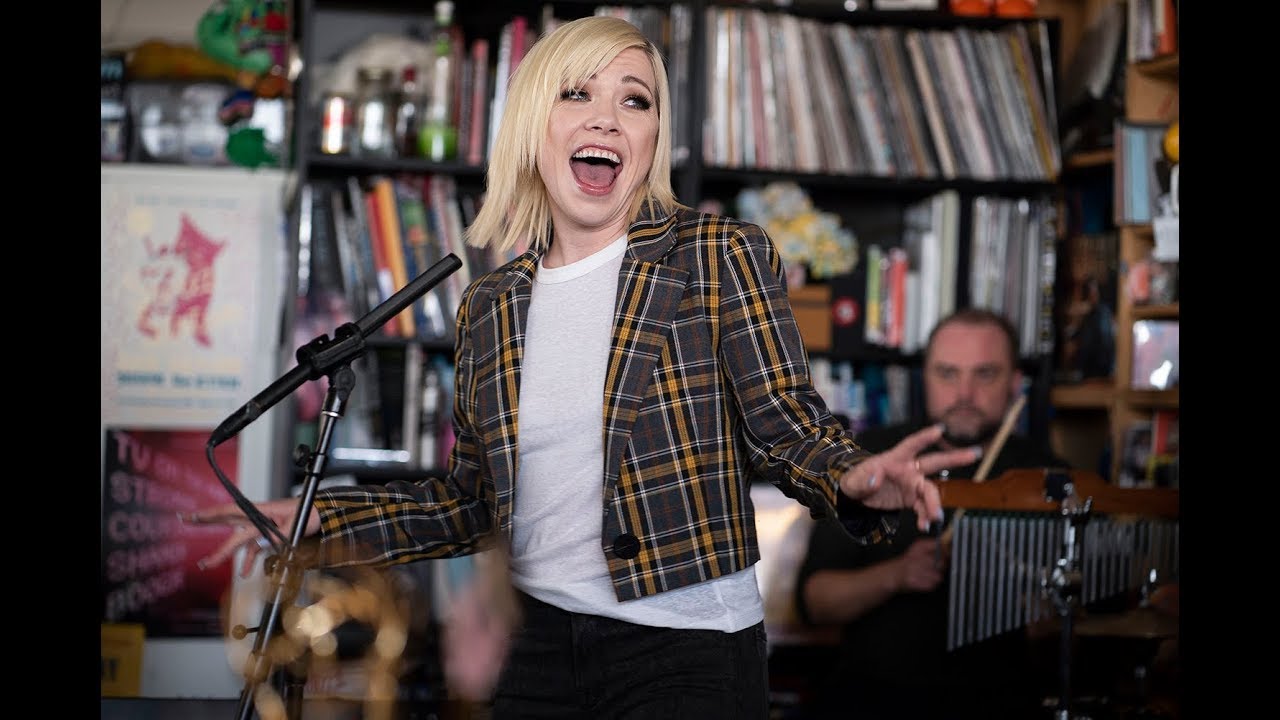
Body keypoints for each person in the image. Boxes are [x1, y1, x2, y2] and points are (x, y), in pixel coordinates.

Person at [188, 16, 982, 719]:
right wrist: (319, 517)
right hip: (539, 649)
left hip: (688, 653)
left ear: (650, 140)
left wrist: (851, 476)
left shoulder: (717, 256)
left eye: (634, 101)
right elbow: (473, 505)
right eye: (578, 94)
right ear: (536, 124)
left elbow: (785, 424)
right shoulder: (490, 308)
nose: (607, 116)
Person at [795, 307, 1072, 720]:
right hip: (874, 701)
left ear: (1016, 382)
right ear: (924, 377)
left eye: (985, 374)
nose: (964, 393)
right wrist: (897, 576)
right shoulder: (871, 458)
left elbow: (1085, 617)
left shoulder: (1048, 476)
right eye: (947, 373)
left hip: (1000, 702)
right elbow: (815, 603)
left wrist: (1048, 613)